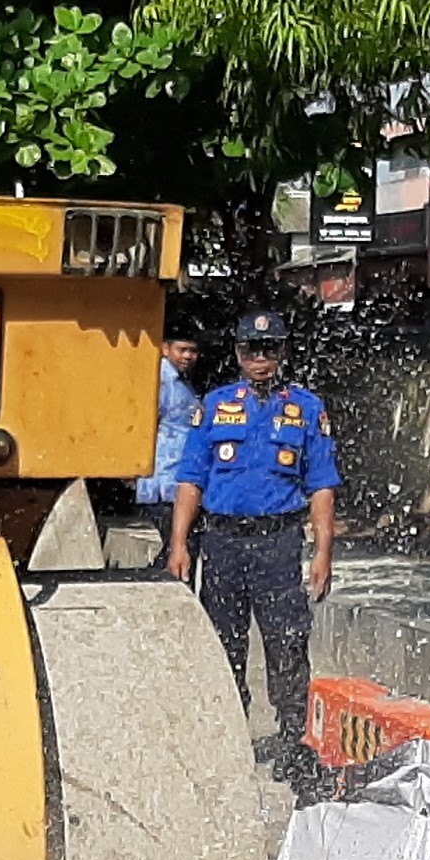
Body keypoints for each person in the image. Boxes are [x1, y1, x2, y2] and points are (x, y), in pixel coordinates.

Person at [167, 309, 340, 775]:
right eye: (250, 350)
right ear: (238, 353)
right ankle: (226, 741)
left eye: (269, 349)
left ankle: (294, 742)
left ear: (283, 352)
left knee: (287, 643)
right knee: (223, 644)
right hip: (223, 542)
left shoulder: (307, 409)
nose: (260, 359)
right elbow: (191, 479)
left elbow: (322, 486)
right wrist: (179, 543)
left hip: (278, 544)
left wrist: (323, 553)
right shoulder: (215, 405)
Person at [132, 323, 205, 565]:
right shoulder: (161, 381)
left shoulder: (182, 382)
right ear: (165, 349)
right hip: (162, 480)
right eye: (182, 350)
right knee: (176, 547)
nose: (188, 356)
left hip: (178, 478)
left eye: (193, 351)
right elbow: (143, 424)